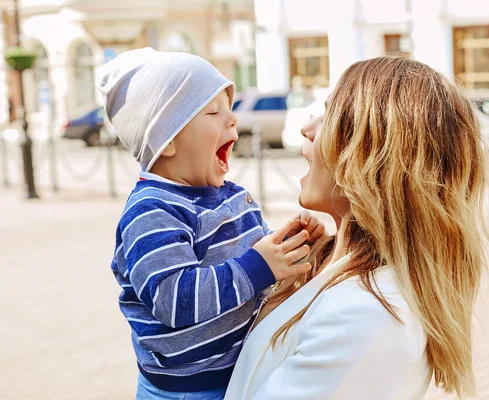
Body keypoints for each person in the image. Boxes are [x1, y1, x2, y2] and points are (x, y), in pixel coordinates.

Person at [225, 55, 489, 399]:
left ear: (367, 154)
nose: (307, 128)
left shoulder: (367, 315)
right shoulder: (336, 268)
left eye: (328, 115)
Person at [97, 48, 325, 400]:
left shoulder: (233, 197)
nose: (231, 120)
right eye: (213, 112)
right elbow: (173, 299)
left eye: (230, 109)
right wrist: (259, 266)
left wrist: (294, 245)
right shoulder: (152, 211)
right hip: (188, 390)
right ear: (167, 140)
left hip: (239, 371)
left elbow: (262, 263)